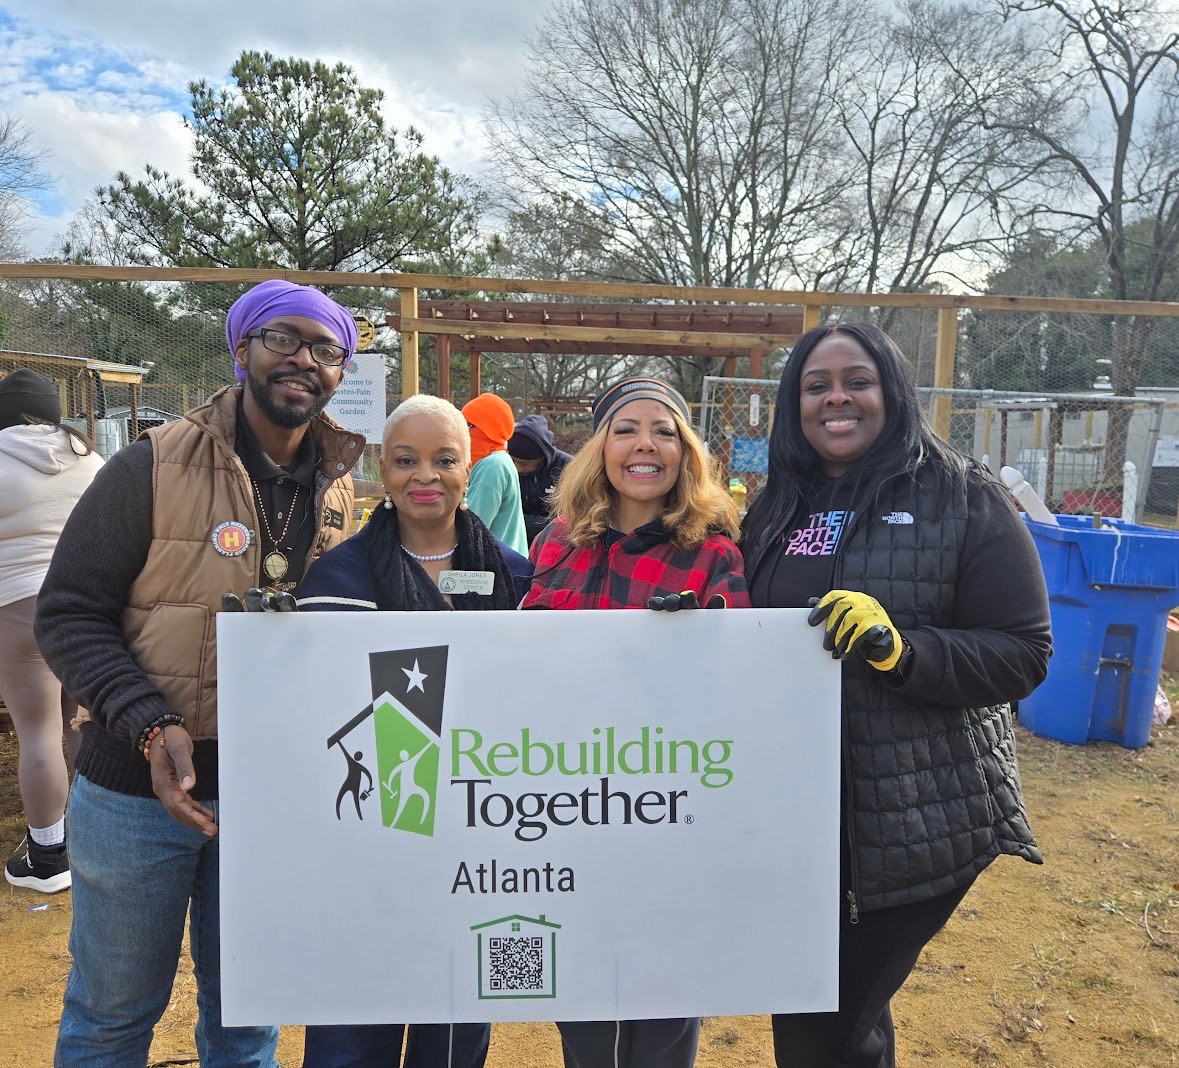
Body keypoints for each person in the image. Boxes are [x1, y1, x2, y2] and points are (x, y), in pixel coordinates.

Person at [35, 279, 364, 1067]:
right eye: (284, 339)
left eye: (326, 350)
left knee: (247, 1018)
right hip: (134, 793)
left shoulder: (342, 486)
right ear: (242, 348)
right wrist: (150, 721)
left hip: (275, 797)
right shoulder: (147, 467)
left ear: (341, 372)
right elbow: (69, 612)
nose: (303, 361)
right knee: (112, 1016)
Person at [739, 323, 1050, 1068]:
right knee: (829, 1015)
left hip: (914, 812)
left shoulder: (959, 493)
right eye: (815, 386)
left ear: (891, 391)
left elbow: (1024, 652)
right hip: (799, 810)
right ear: (794, 403)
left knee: (824, 1021)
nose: (836, 398)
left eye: (857, 380)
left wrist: (901, 649)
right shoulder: (778, 502)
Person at [520, 376, 750, 1068]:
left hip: (664, 816)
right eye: (626, 430)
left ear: (686, 453)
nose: (644, 445)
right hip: (560, 807)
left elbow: (738, 693)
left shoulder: (713, 554)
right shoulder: (556, 543)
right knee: (581, 1007)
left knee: (659, 1013)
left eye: (664, 432)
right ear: (600, 449)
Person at [296, 393, 531, 1068]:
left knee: (456, 1032)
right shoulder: (334, 582)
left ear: (471, 466)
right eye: (405, 460)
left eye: (444, 459)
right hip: (366, 847)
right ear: (382, 466)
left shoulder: (515, 580)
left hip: (485, 843)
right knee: (352, 1027)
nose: (424, 475)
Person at [0, 369, 103, 892]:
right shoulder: (89, 459)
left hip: (17, 607)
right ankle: (94, 831)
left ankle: (47, 857)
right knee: (74, 720)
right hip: (85, 607)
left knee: (36, 730)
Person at [461, 391, 528, 554]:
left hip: (500, 568)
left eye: (469, 426)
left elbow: (470, 527)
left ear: (488, 429)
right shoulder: (499, 459)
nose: (463, 432)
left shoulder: (492, 467)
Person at [507, 413, 572, 545]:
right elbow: (506, 515)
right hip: (518, 543)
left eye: (524, 463)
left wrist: (520, 522)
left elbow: (571, 520)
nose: (518, 468)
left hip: (559, 545)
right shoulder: (508, 469)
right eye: (514, 461)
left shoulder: (569, 468)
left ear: (542, 456)